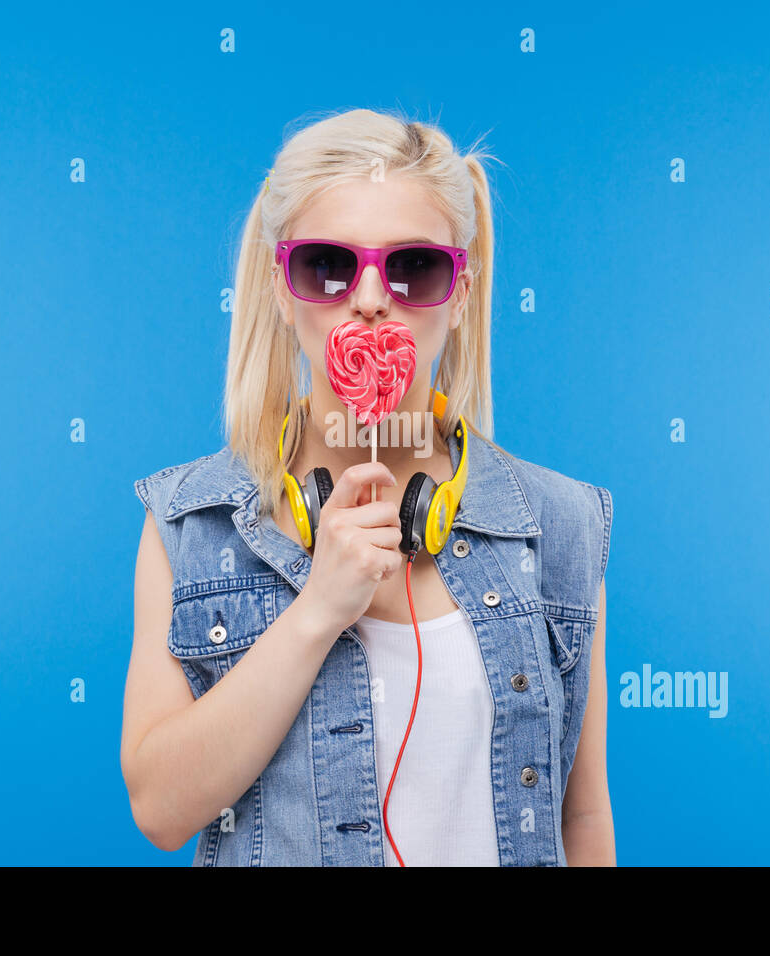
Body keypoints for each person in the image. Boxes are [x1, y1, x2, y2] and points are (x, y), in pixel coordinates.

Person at [121, 108, 614, 866]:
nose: (371, 297)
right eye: (329, 265)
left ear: (459, 293)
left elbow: (580, 818)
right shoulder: (193, 525)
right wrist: (318, 611)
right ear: (283, 292)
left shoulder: (557, 525)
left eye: (415, 268)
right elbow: (160, 810)